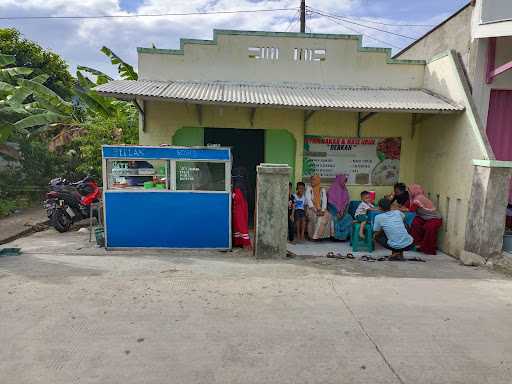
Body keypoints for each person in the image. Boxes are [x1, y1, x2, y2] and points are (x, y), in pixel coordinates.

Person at [408, 184, 442, 255]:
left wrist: (399, 209)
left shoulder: (418, 198)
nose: (409, 192)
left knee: (429, 227)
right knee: (415, 223)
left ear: (414, 190)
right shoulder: (415, 198)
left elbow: (411, 210)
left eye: (410, 190)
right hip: (423, 217)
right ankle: (417, 244)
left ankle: (428, 248)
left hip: (434, 218)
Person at [305, 175, 332, 240]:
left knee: (327, 215)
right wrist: (316, 211)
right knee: (316, 216)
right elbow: (309, 201)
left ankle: (321, 236)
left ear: (318, 181)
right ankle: (313, 236)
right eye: (311, 179)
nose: (312, 181)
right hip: (311, 209)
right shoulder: (309, 189)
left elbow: (324, 200)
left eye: (314, 179)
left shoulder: (322, 189)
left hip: (321, 208)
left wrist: (322, 211)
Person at [326, 174, 353, 241]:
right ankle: (336, 237)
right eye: (344, 181)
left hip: (343, 212)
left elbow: (346, 203)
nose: (344, 183)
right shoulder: (332, 190)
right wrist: (337, 212)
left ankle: (345, 236)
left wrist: (343, 212)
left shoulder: (345, 190)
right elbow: (330, 203)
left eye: (345, 182)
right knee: (335, 219)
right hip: (333, 211)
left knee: (348, 217)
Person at [232, 167, 252, 249]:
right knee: (239, 226)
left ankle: (246, 244)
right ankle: (239, 242)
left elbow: (237, 198)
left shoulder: (238, 185)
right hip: (243, 208)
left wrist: (231, 194)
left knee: (241, 226)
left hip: (239, 209)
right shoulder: (244, 185)